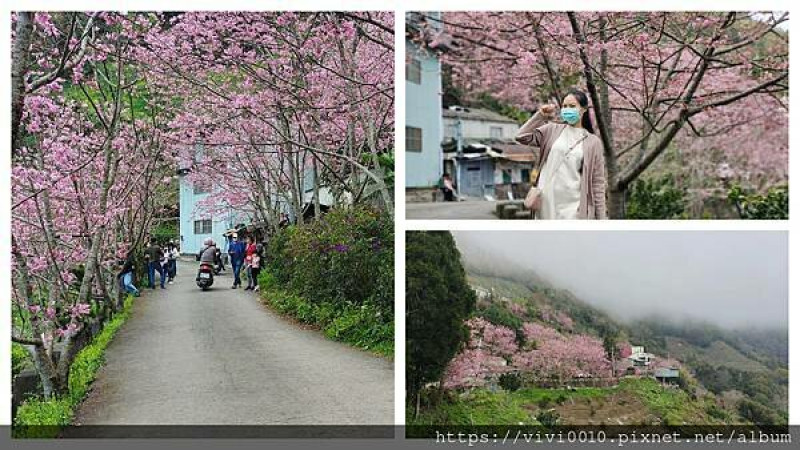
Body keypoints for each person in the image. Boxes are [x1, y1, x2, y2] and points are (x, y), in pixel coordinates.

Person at [515, 88, 607, 220]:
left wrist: (601, 218)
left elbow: (597, 182)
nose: (567, 109)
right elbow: (520, 136)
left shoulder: (593, 142)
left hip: (574, 207)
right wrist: (540, 115)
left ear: (584, 109)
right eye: (564, 106)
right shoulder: (552, 130)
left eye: (572, 106)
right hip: (546, 203)